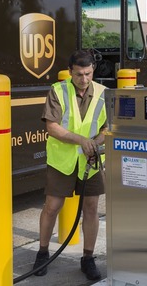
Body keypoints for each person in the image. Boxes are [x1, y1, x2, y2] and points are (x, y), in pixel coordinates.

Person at [32, 50, 106, 281]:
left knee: (91, 209)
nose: (83, 79)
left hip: (90, 161)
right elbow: (52, 127)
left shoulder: (105, 93)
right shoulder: (58, 90)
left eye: (88, 74)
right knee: (52, 207)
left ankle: (87, 257)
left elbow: (108, 127)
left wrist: (94, 143)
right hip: (62, 161)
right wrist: (81, 140)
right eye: (78, 75)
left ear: (93, 70)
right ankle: (43, 253)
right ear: (70, 71)